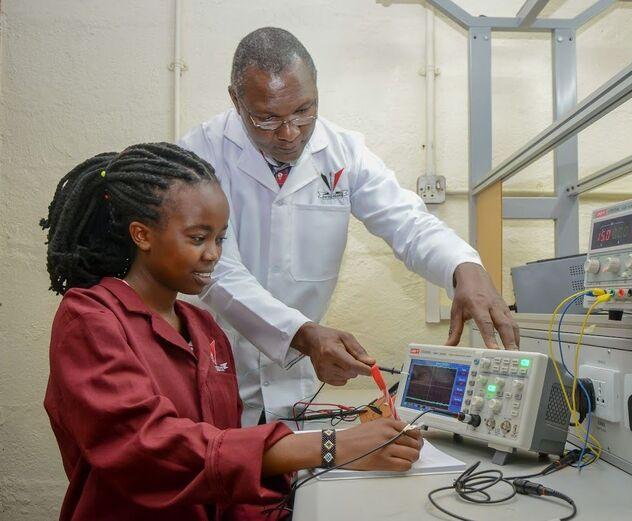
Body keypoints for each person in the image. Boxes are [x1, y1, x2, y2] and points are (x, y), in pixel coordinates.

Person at [41, 142, 422, 520]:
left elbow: (222, 464)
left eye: (220, 238)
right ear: (142, 235)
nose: (213, 254)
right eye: (197, 238)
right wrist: (328, 447)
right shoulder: (90, 318)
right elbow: (147, 449)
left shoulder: (204, 327)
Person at [179, 27, 520, 426]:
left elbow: (408, 222)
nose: (290, 134)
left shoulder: (343, 153)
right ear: (236, 100)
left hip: (297, 382)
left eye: (304, 111)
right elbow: (216, 272)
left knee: (300, 482)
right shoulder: (200, 153)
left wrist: (464, 267)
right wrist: (303, 334)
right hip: (220, 367)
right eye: (267, 118)